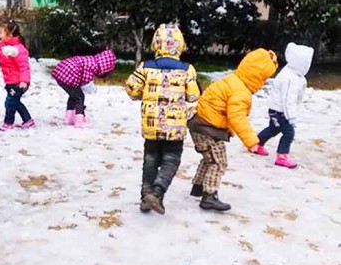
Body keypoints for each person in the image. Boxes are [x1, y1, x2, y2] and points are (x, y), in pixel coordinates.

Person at [188, 48, 278, 211]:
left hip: (197, 123)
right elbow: (237, 117)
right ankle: (209, 196)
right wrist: (251, 142)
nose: (264, 83)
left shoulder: (232, 80)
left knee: (209, 157)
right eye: (264, 78)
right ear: (256, 76)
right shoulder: (241, 92)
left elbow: (225, 112)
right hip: (208, 128)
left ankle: (198, 187)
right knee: (219, 162)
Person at [125, 23, 200, 215]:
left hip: (151, 126)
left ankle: (146, 196)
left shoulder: (146, 67)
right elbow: (193, 96)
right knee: (171, 160)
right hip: (174, 128)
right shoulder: (186, 69)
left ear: (155, 45)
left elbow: (131, 89)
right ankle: (157, 194)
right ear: (180, 45)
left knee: (150, 159)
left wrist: (141, 95)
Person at [255, 42, 314, 168]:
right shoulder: (289, 78)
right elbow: (288, 99)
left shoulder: (295, 75)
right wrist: (291, 117)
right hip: (280, 111)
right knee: (288, 133)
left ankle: (256, 143)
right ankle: (282, 156)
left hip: (278, 110)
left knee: (273, 129)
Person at [51, 49, 116, 127]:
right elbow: (86, 83)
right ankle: (79, 120)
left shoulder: (91, 61)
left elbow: (83, 79)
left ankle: (69, 118)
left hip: (61, 72)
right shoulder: (93, 65)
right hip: (67, 74)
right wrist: (92, 89)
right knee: (80, 97)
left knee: (74, 95)